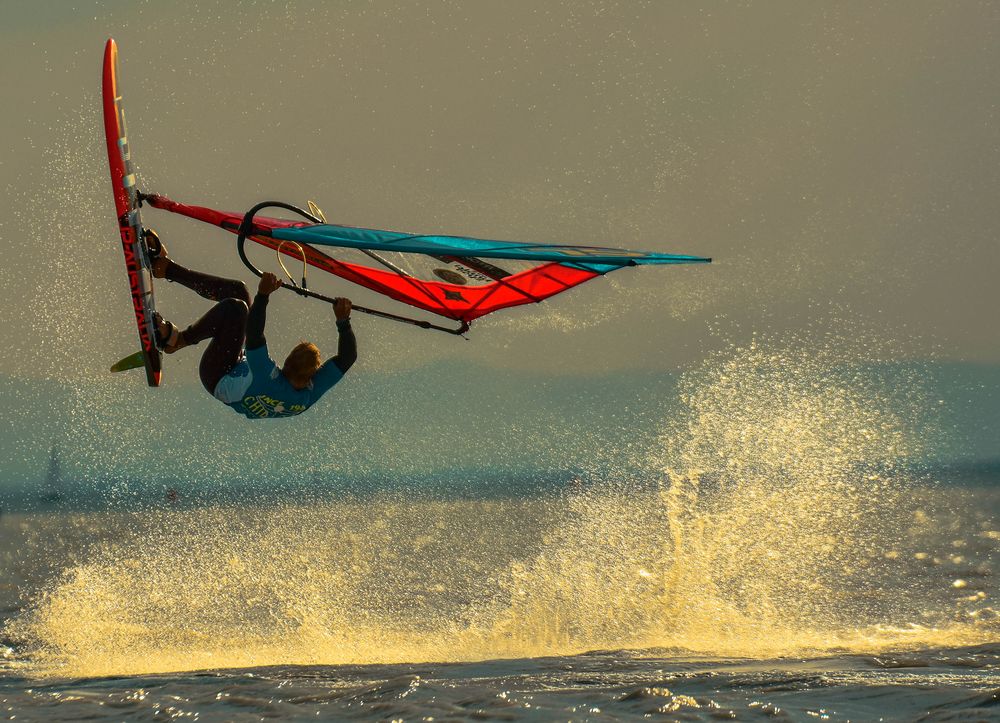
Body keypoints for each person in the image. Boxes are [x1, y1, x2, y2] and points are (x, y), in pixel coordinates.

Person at [145, 229, 357, 419]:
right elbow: (348, 357)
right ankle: (166, 269)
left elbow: (254, 334)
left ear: (287, 363)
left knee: (236, 308)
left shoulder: (268, 375)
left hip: (217, 375)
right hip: (238, 368)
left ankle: (177, 340)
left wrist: (263, 295)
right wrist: (343, 322)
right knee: (238, 291)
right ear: (312, 375)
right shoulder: (307, 395)